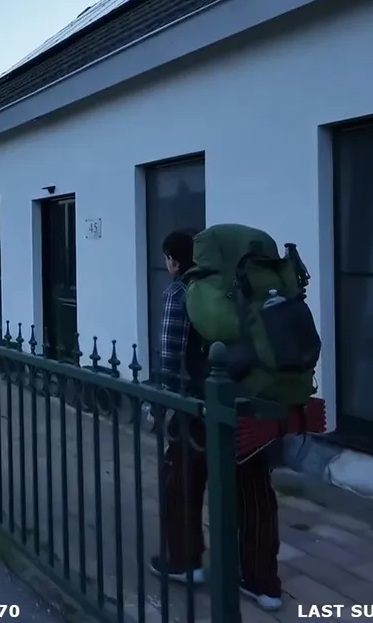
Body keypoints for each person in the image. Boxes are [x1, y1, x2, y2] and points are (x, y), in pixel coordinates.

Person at [147, 230, 283, 612]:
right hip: (253, 406)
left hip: (199, 409)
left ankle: (184, 561)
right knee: (254, 493)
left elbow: (170, 356)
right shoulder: (250, 289)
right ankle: (262, 583)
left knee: (182, 481)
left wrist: (161, 405)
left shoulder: (181, 292)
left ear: (174, 260)